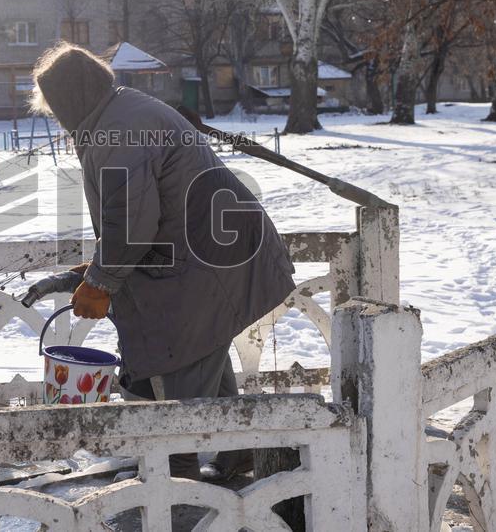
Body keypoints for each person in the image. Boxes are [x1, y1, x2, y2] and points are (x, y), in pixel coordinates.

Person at [30, 42, 296, 481]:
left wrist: (101, 282)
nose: (58, 120)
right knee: (202, 348)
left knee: (183, 364)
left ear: (69, 100)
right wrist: (98, 271)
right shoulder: (120, 111)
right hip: (213, 250)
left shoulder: (116, 130)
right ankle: (238, 451)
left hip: (208, 261)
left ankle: (178, 483)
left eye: (56, 108)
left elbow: (131, 223)